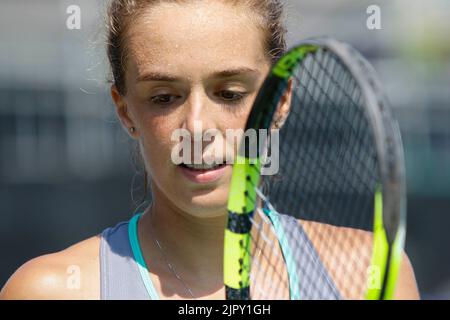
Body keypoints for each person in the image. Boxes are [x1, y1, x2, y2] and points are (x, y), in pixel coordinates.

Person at [0, 0, 420, 300]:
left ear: (281, 100)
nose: (198, 127)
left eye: (230, 92)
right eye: (164, 97)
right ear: (125, 110)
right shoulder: (51, 291)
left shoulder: (374, 274)